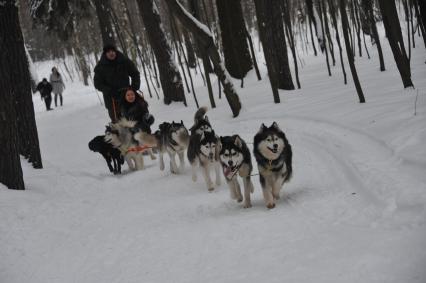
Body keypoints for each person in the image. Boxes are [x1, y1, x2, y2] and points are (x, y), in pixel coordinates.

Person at [94, 44, 140, 122]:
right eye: (108, 52)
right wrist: (109, 91)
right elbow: (98, 84)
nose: (111, 53)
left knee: (135, 118)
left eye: (113, 51)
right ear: (105, 54)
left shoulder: (124, 60)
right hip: (111, 98)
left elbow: (135, 73)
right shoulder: (100, 67)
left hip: (127, 95)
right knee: (118, 122)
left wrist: (134, 87)